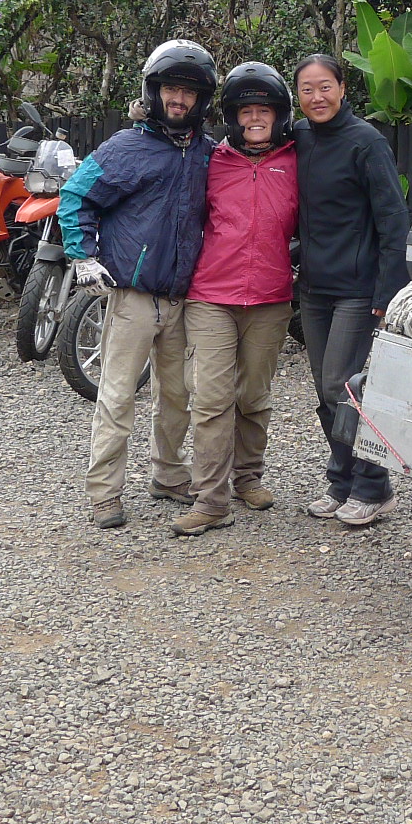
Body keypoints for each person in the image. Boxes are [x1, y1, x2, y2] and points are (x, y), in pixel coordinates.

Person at [60, 39, 216, 529]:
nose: (179, 99)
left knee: (177, 397)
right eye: (171, 88)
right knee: (118, 394)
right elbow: (75, 197)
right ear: (154, 90)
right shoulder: (125, 148)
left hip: (182, 298)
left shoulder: (208, 154)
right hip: (132, 296)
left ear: (202, 100)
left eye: (190, 92)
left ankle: (168, 475)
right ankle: (104, 492)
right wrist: (83, 255)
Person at [173, 63, 299, 537]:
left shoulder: (297, 160)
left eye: (262, 109)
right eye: (245, 110)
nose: (254, 118)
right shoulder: (211, 159)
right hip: (212, 295)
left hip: (270, 296)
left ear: (279, 114)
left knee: (253, 396)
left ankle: (249, 477)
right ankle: (211, 499)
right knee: (210, 398)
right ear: (231, 116)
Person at [289, 53, 411, 527]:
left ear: (343, 88)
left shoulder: (367, 143)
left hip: (358, 289)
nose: (316, 97)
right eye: (306, 89)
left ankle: (373, 487)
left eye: (325, 87)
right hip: (315, 286)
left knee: (344, 386)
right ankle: (341, 481)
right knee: (326, 391)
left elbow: (393, 220)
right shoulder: (298, 138)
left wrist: (388, 292)